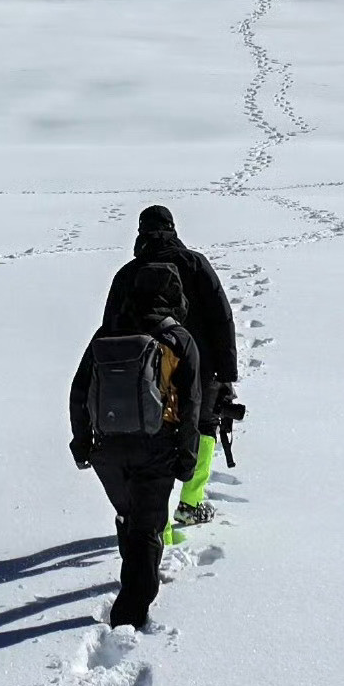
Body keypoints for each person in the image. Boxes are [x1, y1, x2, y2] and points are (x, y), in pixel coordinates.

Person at [69, 262, 202, 629]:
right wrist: (188, 457)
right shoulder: (178, 339)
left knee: (130, 516)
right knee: (147, 527)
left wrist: (81, 443)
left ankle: (134, 583)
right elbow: (191, 406)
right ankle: (129, 617)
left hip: (106, 450)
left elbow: (79, 391)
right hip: (155, 447)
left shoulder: (106, 332)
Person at [101, 205, 238, 525]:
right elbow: (222, 318)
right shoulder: (195, 263)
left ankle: (146, 511)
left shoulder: (127, 274)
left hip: (141, 372)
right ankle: (191, 504)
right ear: (172, 228)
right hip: (200, 367)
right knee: (204, 426)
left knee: (148, 434)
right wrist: (227, 371)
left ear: (140, 233)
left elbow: (109, 329)